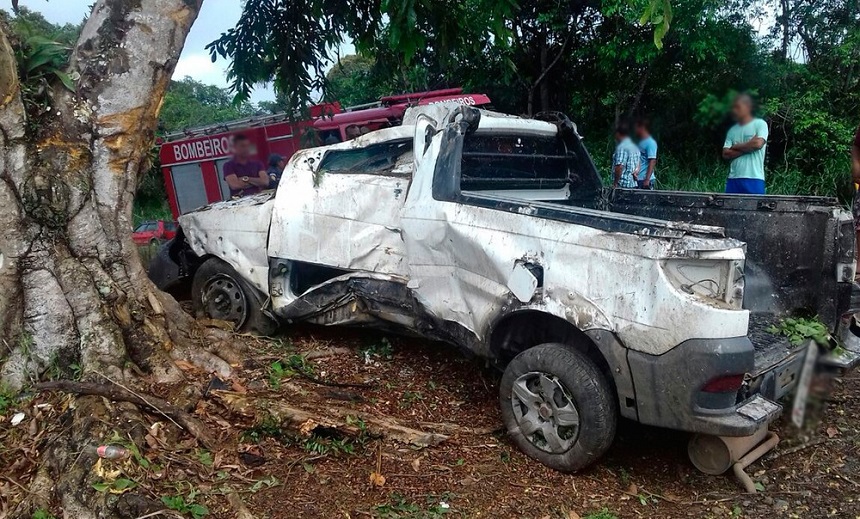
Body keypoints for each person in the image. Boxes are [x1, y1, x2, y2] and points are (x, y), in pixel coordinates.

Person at [722, 94, 769, 194]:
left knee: (755, 209)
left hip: (754, 178)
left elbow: (757, 144)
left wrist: (736, 146)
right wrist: (749, 146)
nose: (735, 110)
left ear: (748, 107)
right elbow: (725, 154)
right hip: (733, 178)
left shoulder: (760, 124)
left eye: (738, 107)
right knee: (729, 209)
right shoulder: (732, 130)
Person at [223, 134, 269, 198]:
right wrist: (256, 181)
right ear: (235, 148)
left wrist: (246, 179)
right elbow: (234, 185)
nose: (245, 149)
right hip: (239, 202)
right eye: (242, 146)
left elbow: (265, 181)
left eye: (247, 146)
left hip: (258, 199)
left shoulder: (258, 163)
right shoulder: (228, 165)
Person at [612, 122, 640, 189]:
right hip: (633, 185)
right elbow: (639, 163)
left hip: (622, 185)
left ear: (618, 134)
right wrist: (636, 172)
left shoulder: (622, 147)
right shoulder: (635, 147)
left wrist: (615, 183)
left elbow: (620, 166)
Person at [635, 119, 658, 189]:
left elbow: (652, 160)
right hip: (637, 179)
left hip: (645, 179)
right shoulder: (639, 141)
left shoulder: (650, 142)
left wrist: (647, 179)